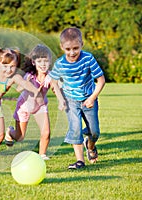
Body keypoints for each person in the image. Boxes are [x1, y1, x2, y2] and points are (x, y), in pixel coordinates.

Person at [49, 27, 105, 169]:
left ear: (82, 45)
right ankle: (80, 161)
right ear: (62, 47)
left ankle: (90, 146)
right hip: (71, 101)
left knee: (95, 132)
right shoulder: (60, 64)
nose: (72, 52)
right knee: (75, 129)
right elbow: (53, 81)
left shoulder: (88, 58)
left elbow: (101, 80)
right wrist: (61, 99)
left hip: (88, 99)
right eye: (68, 49)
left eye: (76, 48)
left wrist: (92, 98)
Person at [4, 44, 66, 160]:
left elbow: (56, 88)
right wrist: (25, 83)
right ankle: (10, 132)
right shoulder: (30, 76)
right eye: (40, 61)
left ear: (49, 62)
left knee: (46, 132)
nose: (43, 64)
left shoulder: (50, 77)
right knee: (20, 137)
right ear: (33, 62)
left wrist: (61, 101)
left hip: (40, 106)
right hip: (24, 106)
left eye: (46, 61)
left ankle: (42, 155)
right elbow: (18, 89)